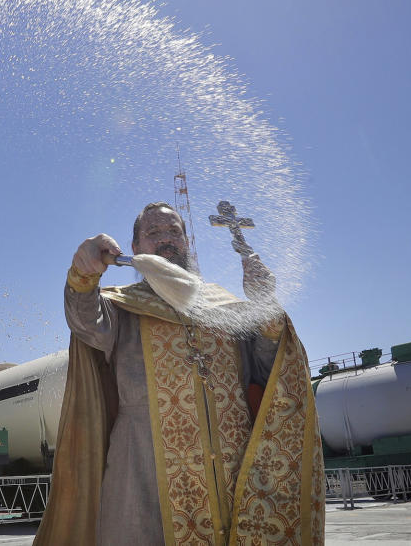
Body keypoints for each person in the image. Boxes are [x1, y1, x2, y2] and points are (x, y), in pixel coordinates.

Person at [34, 203, 324, 546]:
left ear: (188, 242)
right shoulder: (122, 306)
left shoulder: (224, 305)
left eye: (174, 232)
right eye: (154, 233)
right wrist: (83, 275)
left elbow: (266, 372)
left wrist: (267, 311)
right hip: (143, 475)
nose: (166, 240)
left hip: (233, 481)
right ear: (136, 248)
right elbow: (84, 321)